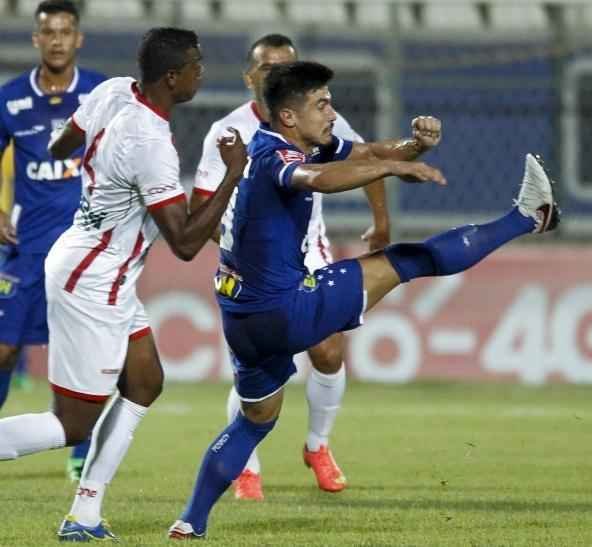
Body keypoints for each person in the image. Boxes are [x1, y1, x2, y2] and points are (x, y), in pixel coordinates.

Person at [168, 60, 559, 539]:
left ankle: (190, 520)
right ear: (289, 116)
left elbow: (365, 150)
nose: (332, 113)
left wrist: (413, 145)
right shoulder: (273, 156)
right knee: (408, 260)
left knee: (254, 421)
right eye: (322, 104)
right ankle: (528, 216)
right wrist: (395, 167)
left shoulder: (298, 142)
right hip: (282, 309)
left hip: (240, 318)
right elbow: (317, 179)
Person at [0, 27, 248, 542]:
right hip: (95, 279)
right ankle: (81, 516)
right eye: (197, 66)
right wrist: (232, 176)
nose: (203, 73)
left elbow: (60, 141)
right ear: (173, 77)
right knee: (70, 425)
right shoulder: (149, 142)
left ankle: (85, 515)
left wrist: (104, 174)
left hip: (97, 262)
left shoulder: (114, 90)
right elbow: (182, 242)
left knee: (144, 381)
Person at [192, 33, 390, 500]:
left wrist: (381, 223)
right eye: (267, 67)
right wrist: (235, 246)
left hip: (308, 250)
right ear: (249, 78)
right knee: (259, 366)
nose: (277, 73)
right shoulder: (227, 130)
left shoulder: (316, 119)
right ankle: (247, 469)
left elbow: (367, 158)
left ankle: (317, 446)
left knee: (328, 351)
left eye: (287, 65)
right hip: (250, 264)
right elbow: (201, 203)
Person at [0, 0, 104, 481]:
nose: (58, 39)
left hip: (86, 249)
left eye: (66, 31)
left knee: (86, 353)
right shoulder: (11, 97)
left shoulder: (102, 93)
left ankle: (81, 446)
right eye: (49, 31)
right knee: (3, 349)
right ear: (36, 39)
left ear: (78, 37)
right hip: (25, 248)